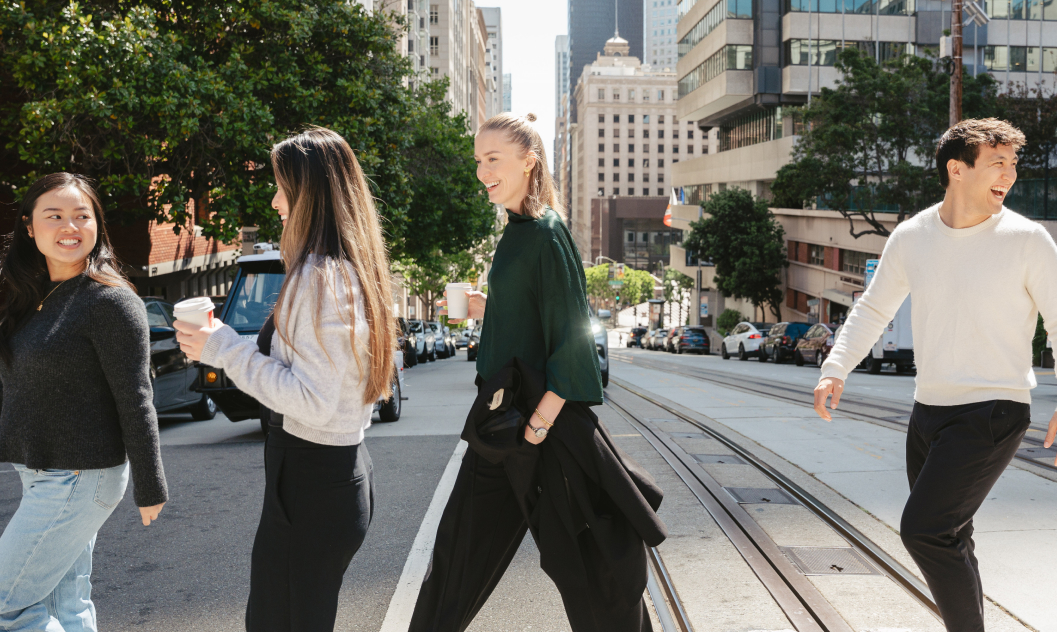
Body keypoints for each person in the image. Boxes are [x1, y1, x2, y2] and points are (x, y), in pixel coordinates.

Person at [812, 118, 1057, 632]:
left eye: (1013, 163)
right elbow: (873, 309)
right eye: (997, 163)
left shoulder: (1027, 239)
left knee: (925, 531)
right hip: (928, 411)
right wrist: (836, 368)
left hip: (993, 411)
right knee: (952, 536)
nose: (1009, 174)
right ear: (956, 169)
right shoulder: (913, 236)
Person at [411, 112, 666, 632]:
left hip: (536, 426)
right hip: (500, 422)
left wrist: (539, 426)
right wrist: (491, 305)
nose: (483, 171)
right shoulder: (517, 230)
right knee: (458, 555)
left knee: (592, 570)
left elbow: (572, 335)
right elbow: (531, 312)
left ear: (529, 161)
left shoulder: (546, 233)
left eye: (494, 160)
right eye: (479, 161)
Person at [174, 127, 394, 631]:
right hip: (328, 481)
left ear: (309, 195)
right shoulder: (345, 270)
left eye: (281, 187)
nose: (274, 200)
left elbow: (312, 401)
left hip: (311, 489)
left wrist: (221, 347)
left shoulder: (318, 277)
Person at [0, 173, 169, 631]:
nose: (69, 226)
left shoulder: (109, 302)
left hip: (78, 477)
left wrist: (150, 486)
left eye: (82, 216)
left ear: (97, 226)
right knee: (64, 607)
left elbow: (136, 399)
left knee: (8, 604)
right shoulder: (30, 297)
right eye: (54, 215)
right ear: (30, 228)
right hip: (42, 475)